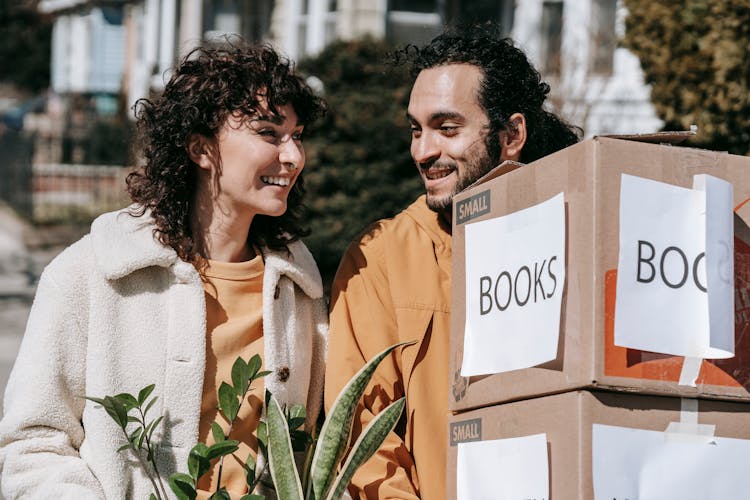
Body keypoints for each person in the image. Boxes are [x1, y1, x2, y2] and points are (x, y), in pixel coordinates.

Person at [0, 42, 328, 499]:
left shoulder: (301, 289)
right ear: (199, 148)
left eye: (297, 134)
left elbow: (321, 451)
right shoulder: (90, 273)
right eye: (269, 133)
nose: (294, 156)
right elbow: (32, 442)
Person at [325, 24, 581, 500]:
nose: (423, 151)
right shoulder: (380, 258)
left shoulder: (577, 236)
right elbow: (362, 444)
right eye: (416, 130)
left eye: (447, 128)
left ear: (511, 135)